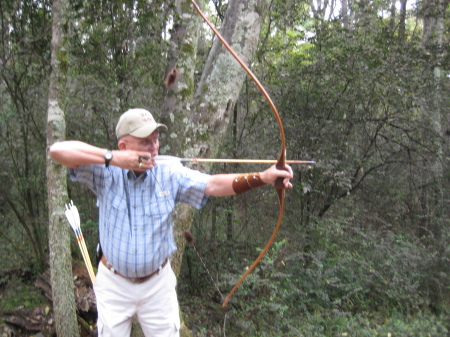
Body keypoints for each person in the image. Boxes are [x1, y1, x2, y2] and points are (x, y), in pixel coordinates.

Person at [49, 108, 293, 337]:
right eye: (146, 141)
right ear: (124, 145)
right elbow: (58, 151)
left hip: (157, 285)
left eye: (156, 139)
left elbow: (213, 185)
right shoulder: (104, 171)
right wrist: (114, 159)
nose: (154, 146)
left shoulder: (169, 171)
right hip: (113, 283)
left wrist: (262, 178)